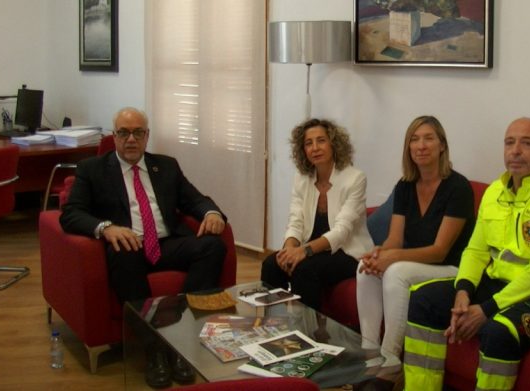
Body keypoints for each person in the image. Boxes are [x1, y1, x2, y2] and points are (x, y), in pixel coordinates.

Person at [403, 117, 530, 391]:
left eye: (527, 143)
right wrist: (463, 291)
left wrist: (486, 310)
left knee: (499, 330)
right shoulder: (495, 192)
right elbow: (476, 250)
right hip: (497, 284)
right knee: (424, 299)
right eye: (509, 142)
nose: (515, 150)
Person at [60, 107, 228, 388]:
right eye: (124, 132)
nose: (131, 139)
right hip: (129, 246)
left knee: (212, 246)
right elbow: (70, 213)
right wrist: (106, 228)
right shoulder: (93, 169)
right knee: (125, 252)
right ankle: (155, 350)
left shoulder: (166, 166)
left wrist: (212, 213)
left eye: (138, 132)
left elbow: (195, 200)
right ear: (113, 137)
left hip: (167, 243)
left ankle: (182, 337)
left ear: (147, 136)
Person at [356, 115, 475, 368]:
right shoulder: (405, 185)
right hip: (415, 262)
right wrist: (379, 252)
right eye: (414, 139)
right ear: (408, 148)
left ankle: (390, 359)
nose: (421, 145)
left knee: (395, 272)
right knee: (364, 268)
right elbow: (395, 239)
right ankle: (369, 351)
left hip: (452, 267)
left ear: (442, 145)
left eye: (428, 138)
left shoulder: (459, 187)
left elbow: (440, 251)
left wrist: (393, 257)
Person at [261, 118, 373, 310]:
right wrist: (288, 250)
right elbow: (296, 221)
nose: (315, 148)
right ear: (302, 150)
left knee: (305, 269)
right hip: (313, 251)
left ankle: (305, 333)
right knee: (271, 264)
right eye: (308, 143)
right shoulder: (302, 178)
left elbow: (342, 231)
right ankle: (273, 327)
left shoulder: (355, 178)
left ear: (333, 144)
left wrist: (304, 251)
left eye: (321, 140)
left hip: (346, 253)